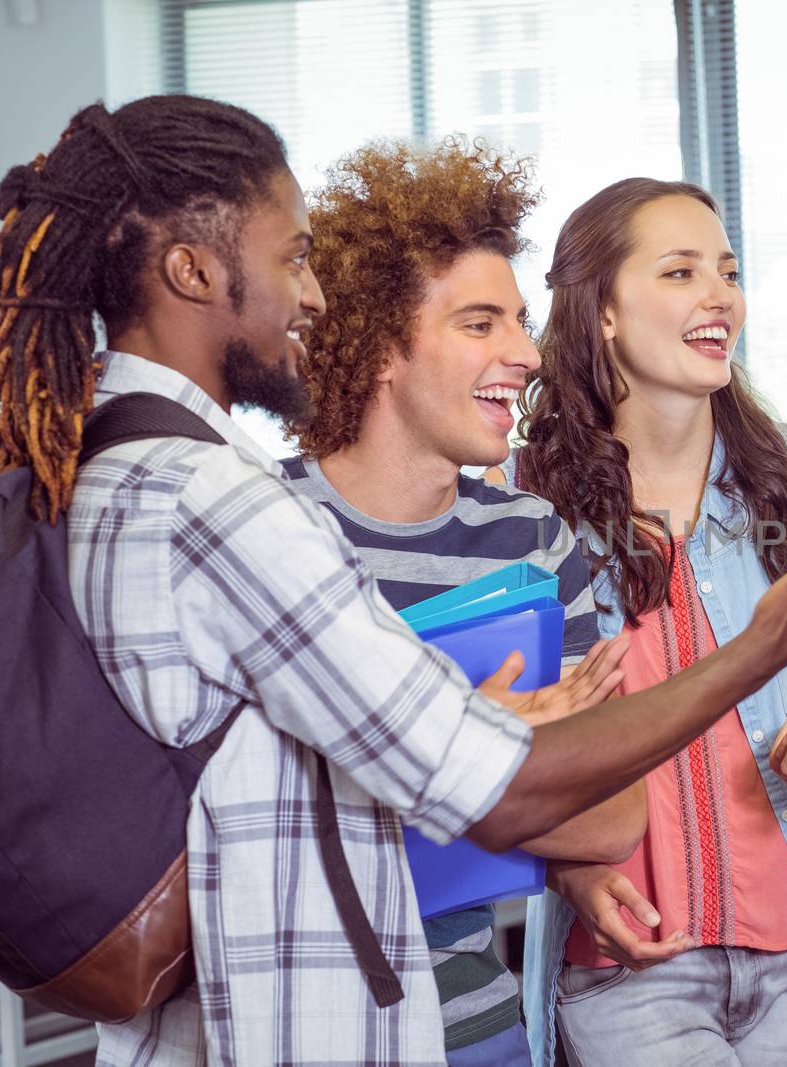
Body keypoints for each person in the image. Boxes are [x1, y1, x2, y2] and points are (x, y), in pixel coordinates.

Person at [0, 96, 787, 1066]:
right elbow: (483, 780)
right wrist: (757, 652)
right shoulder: (220, 501)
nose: (311, 296)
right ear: (192, 270)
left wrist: (467, 744)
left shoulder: (101, 474)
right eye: (291, 259)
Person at [282, 138, 651, 1065]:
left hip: (481, 1029)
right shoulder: (267, 534)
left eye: (520, 322)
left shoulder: (529, 539)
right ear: (379, 349)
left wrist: (397, 770)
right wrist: (493, 757)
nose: (525, 354)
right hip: (314, 1029)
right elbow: (255, 824)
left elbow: (613, 815)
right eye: (481, 323)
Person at [514, 177, 787, 1067]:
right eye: (679, 272)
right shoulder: (521, 501)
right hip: (628, 959)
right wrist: (571, 866)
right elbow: (504, 750)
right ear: (599, 311)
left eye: (728, 270)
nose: (720, 296)